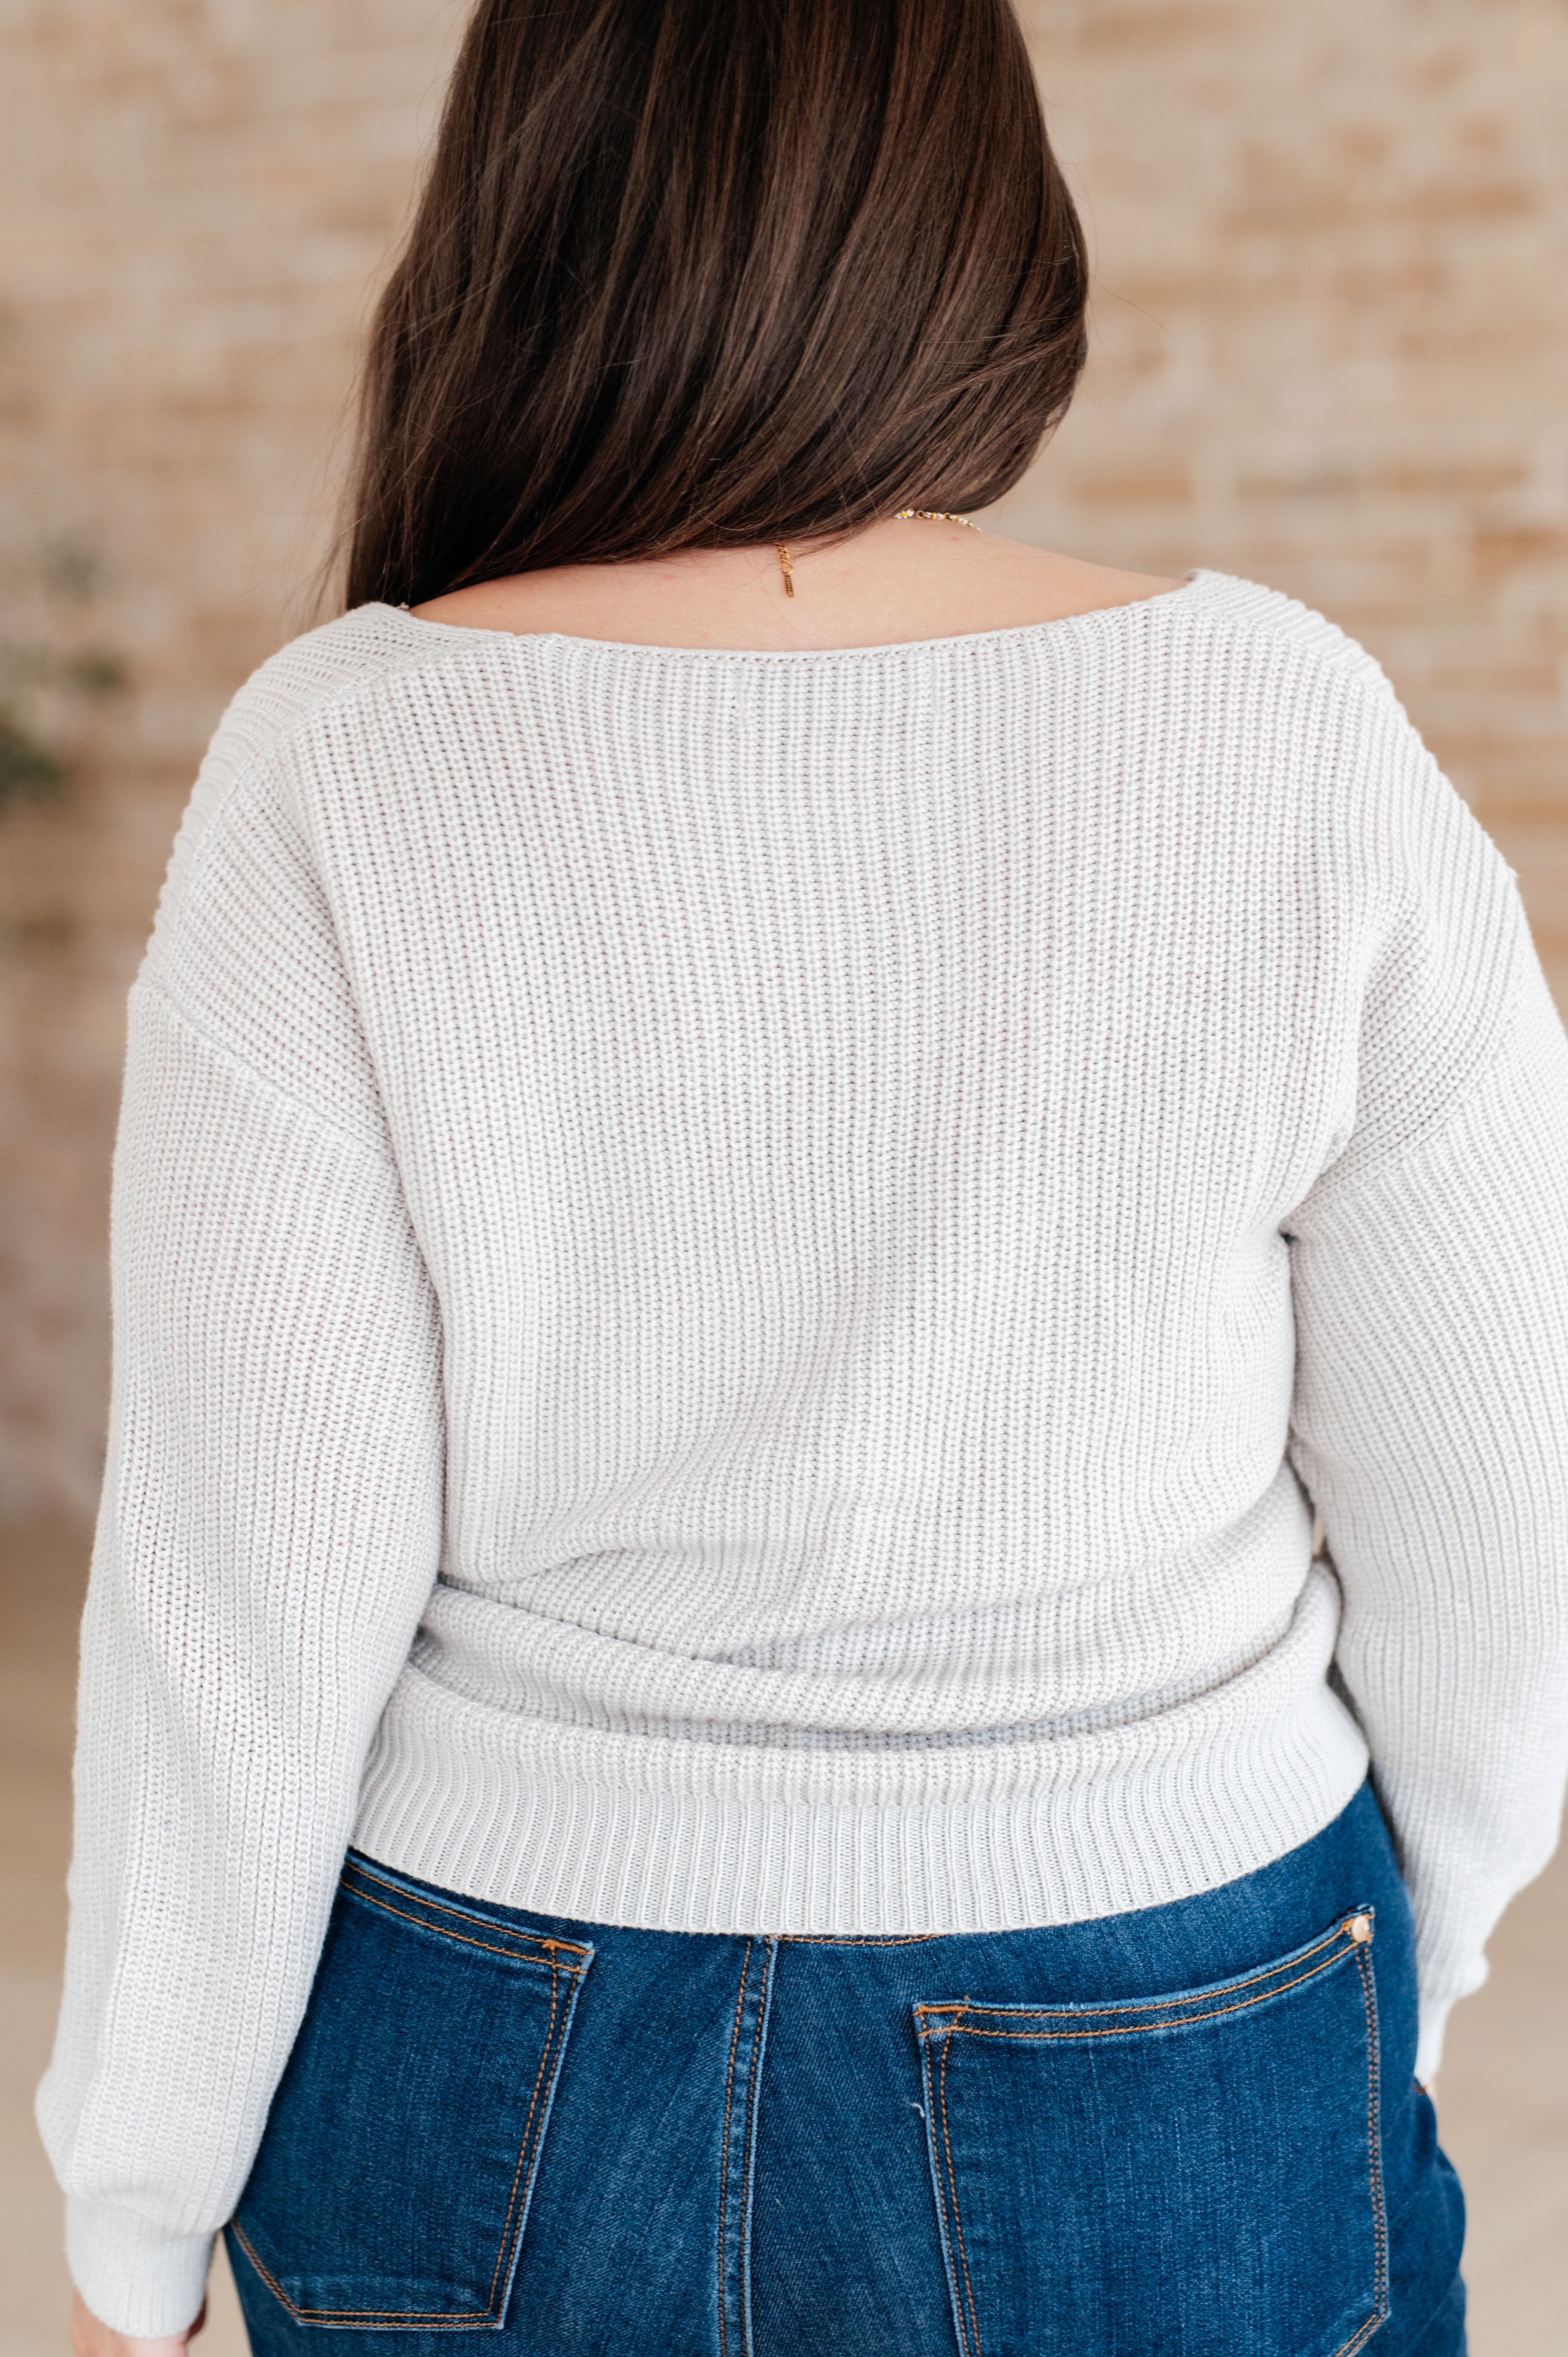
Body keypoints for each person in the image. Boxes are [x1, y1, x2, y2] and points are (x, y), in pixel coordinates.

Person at [40, 0, 1568, 2351]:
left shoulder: (339, 765)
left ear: (521, 227)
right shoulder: (1283, 730)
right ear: (982, 225)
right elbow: (1501, 1491)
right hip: (1180, 1988)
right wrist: (1387, 1957)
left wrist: (141, 2199)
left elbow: (242, 1607)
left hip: (492, 2049)